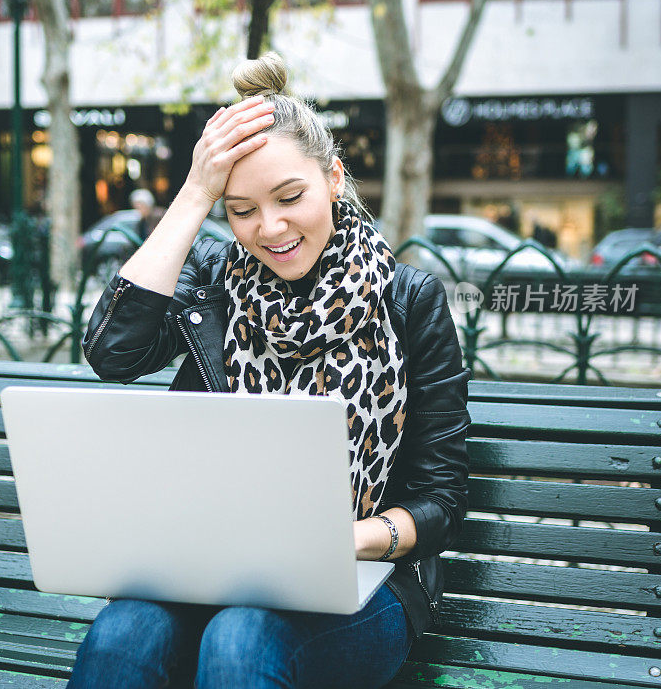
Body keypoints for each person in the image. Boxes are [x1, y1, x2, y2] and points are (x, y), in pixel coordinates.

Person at [73, 52, 470, 689]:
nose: (272, 227)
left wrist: (344, 540)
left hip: (365, 575)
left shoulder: (409, 301)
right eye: (241, 209)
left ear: (334, 178)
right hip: (212, 560)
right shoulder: (214, 281)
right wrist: (194, 192)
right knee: (122, 632)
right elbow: (112, 354)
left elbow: (443, 500)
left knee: (243, 635)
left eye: (290, 197)